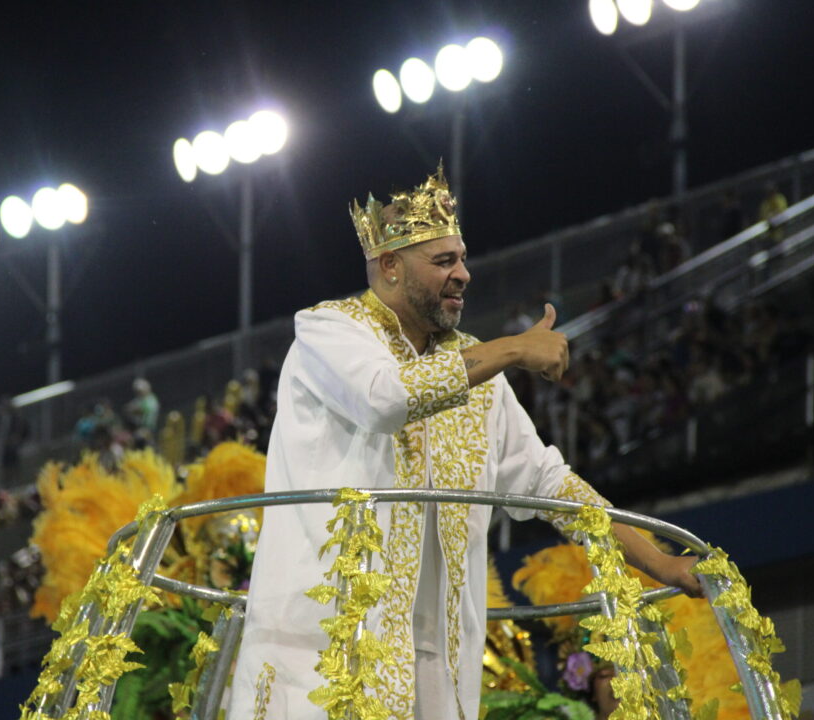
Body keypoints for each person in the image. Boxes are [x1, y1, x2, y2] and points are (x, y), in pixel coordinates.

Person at [227, 165, 701, 720]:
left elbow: (549, 482)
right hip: (319, 655)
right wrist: (513, 349)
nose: (464, 275)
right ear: (389, 267)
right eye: (444, 261)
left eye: (463, 257)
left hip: (437, 663)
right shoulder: (327, 331)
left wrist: (659, 563)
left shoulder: (478, 376)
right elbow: (385, 398)